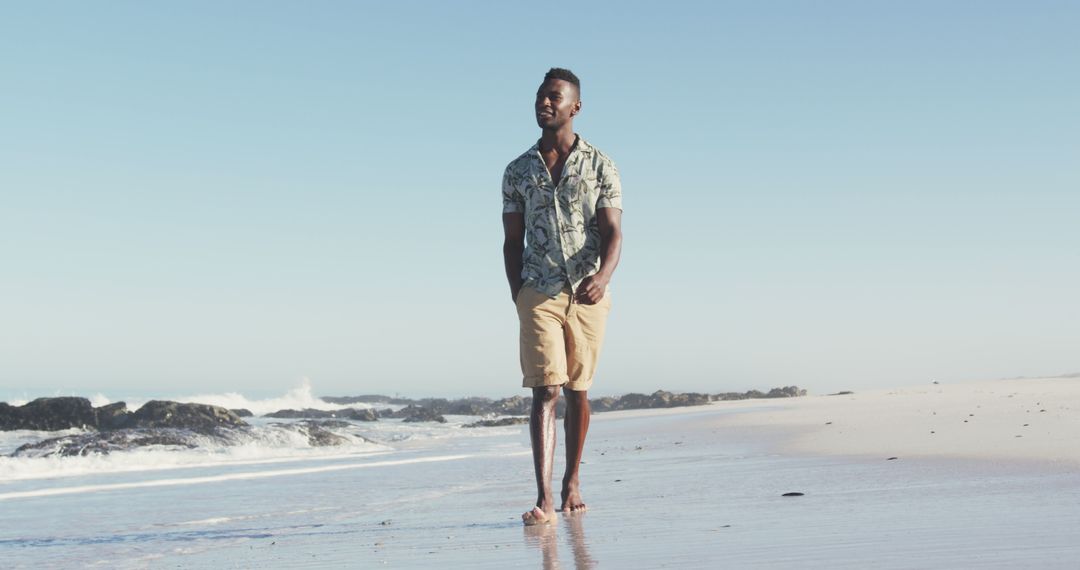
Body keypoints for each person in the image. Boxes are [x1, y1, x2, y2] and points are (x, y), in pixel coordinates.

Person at [501, 67, 623, 526]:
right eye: (539, 96)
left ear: (576, 106)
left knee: (577, 390)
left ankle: (572, 481)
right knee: (545, 389)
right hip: (538, 290)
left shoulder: (601, 164)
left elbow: (613, 232)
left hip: (588, 292)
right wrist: (520, 295)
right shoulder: (517, 171)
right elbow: (512, 241)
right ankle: (544, 498)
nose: (544, 103)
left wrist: (604, 277)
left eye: (554, 97)